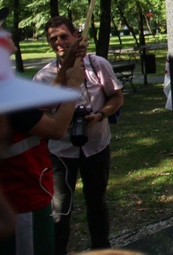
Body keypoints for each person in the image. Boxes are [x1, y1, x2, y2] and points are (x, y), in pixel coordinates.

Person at [34, 17, 124, 255]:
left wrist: (101, 114)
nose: (59, 42)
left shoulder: (98, 65)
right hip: (61, 153)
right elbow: (40, 112)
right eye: (53, 38)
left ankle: (102, 249)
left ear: (75, 35)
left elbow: (116, 97)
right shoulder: (43, 77)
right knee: (60, 209)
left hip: (97, 145)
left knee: (97, 203)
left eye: (64, 36)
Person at [0, 16, 84, 255]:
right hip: (22, 204)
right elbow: (56, 129)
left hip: (32, 197)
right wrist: (73, 87)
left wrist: (67, 63)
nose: (6, 33)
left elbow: (44, 102)